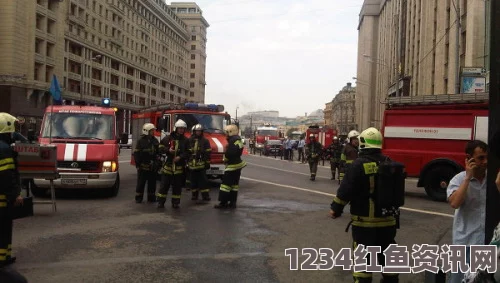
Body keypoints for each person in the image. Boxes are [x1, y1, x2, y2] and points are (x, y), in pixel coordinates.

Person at [330, 127, 404, 283]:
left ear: (363, 143)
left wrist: (335, 209)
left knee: (363, 260)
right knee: (388, 255)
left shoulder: (358, 164)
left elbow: (345, 190)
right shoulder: (389, 163)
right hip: (389, 221)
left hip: (365, 223)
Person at [447, 140, 489, 283]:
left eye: (487, 157)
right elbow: (454, 203)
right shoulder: (458, 180)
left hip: (485, 244)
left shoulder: (493, 180)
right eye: (481, 158)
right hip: (464, 243)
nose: (485, 162)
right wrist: (467, 177)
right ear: (469, 159)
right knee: (458, 280)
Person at [0, 113, 24, 267]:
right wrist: (15, 194)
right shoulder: (4, 149)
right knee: (4, 228)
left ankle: (5, 256)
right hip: (2, 199)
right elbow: (6, 175)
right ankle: (2, 259)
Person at [156, 119, 188, 209]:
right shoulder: (168, 138)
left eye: (183, 128)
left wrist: (180, 157)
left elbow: (188, 152)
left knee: (177, 187)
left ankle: (176, 203)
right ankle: (160, 202)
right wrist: (168, 150)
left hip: (178, 167)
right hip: (168, 166)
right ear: (176, 128)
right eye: (180, 128)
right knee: (164, 186)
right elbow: (160, 147)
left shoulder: (186, 140)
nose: (181, 130)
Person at [215, 124, 246, 209]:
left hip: (232, 165)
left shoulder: (232, 140)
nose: (226, 135)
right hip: (237, 165)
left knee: (225, 185)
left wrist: (226, 158)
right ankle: (232, 203)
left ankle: (223, 203)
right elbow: (238, 152)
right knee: (234, 186)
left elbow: (230, 153)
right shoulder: (238, 140)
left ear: (231, 132)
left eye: (227, 133)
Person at [133, 123, 159, 203]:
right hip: (143, 166)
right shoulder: (141, 141)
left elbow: (157, 153)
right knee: (141, 183)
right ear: (147, 131)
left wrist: (157, 163)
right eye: (151, 131)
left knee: (152, 183)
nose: (153, 132)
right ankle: (138, 198)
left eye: (153, 130)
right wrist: (138, 164)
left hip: (152, 167)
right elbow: (136, 154)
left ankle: (151, 198)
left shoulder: (155, 140)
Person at [186, 124, 211, 202]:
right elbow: (186, 151)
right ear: (194, 131)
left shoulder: (205, 141)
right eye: (197, 131)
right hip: (192, 165)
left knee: (203, 181)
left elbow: (208, 153)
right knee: (193, 181)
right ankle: (194, 195)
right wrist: (187, 162)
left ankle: (205, 196)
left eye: (200, 131)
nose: (198, 132)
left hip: (201, 165)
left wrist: (207, 162)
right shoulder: (190, 140)